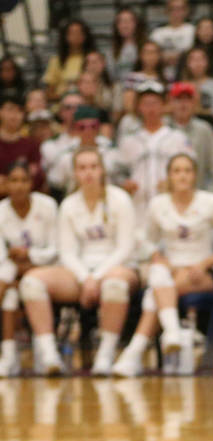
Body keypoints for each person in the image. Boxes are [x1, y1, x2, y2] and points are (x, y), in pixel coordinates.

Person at [112, 154, 213, 377]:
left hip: (201, 273)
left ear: (195, 175)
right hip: (170, 271)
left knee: (155, 291)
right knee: (158, 274)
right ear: (169, 176)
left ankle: (138, 351)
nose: (183, 176)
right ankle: (166, 335)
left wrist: (206, 262)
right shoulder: (158, 204)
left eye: (187, 170)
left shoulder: (210, 201)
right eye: (177, 171)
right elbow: (144, 238)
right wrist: (155, 254)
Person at [20, 147, 138, 375]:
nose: (88, 173)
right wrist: (86, 278)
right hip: (79, 272)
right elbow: (66, 252)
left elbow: (125, 248)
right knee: (31, 282)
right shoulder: (69, 205)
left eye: (93, 166)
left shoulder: (120, 199)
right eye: (82, 168)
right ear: (74, 173)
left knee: (115, 285)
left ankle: (105, 356)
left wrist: (96, 278)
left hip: (117, 268)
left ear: (102, 170)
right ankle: (50, 356)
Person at [0, 162, 58, 376]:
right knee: (10, 296)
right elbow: (2, 256)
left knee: (23, 282)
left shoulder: (48, 206)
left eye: (23, 180)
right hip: (11, 275)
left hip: (47, 270)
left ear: (31, 184)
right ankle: (8, 357)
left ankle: (42, 352)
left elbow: (56, 249)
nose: (19, 186)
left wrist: (30, 256)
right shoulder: (1, 211)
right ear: (6, 184)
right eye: (13, 181)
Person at [117, 81, 194, 221]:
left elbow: (192, 171)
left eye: (155, 103)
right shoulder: (128, 141)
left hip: (172, 208)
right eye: (146, 104)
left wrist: (172, 182)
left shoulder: (178, 138)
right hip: (137, 210)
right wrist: (124, 183)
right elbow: (118, 174)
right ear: (139, 107)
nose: (150, 108)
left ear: (163, 105)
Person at [48, 105, 126, 194]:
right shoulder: (66, 155)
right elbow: (56, 183)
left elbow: (122, 179)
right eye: (82, 127)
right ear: (76, 128)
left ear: (98, 127)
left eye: (93, 126)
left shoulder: (112, 151)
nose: (88, 130)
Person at [169, 82, 213, 195]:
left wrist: (210, 198)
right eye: (178, 99)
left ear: (194, 103)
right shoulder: (164, 130)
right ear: (171, 103)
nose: (183, 104)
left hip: (200, 197)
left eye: (187, 100)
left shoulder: (205, 130)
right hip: (169, 200)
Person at [43, 20, 96, 100]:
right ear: (66, 37)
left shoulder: (92, 58)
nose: (76, 36)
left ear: (85, 36)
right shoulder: (56, 61)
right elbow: (49, 92)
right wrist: (65, 96)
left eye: (79, 32)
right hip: (62, 103)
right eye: (72, 33)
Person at [0, 96, 43, 194]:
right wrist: (21, 181)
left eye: (19, 110)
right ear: (1, 111)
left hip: (25, 200)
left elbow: (37, 179)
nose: (14, 115)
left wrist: (6, 183)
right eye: (10, 109)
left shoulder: (32, 144)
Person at [181, 47, 213, 127]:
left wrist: (196, 110)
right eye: (193, 60)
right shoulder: (182, 86)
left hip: (211, 129)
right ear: (187, 63)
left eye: (201, 59)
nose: (197, 63)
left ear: (207, 62)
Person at [151, 0, 195, 81]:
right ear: (166, 11)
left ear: (187, 11)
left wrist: (178, 58)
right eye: (172, 9)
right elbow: (150, 55)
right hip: (160, 76)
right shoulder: (157, 33)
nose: (176, 12)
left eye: (180, 9)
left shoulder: (193, 31)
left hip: (186, 76)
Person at [110, 8, 147, 92]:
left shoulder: (145, 47)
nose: (125, 25)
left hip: (140, 89)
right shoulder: (111, 51)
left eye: (128, 21)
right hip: (119, 92)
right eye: (121, 22)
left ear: (136, 24)